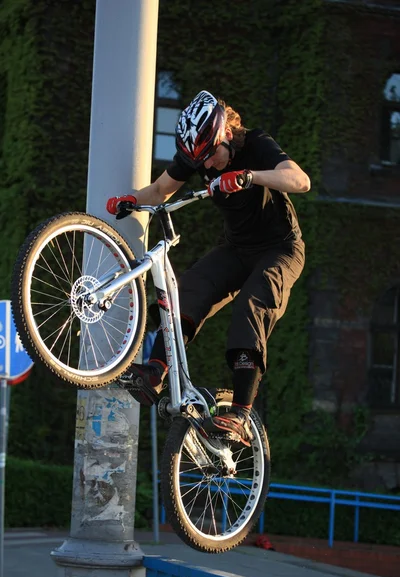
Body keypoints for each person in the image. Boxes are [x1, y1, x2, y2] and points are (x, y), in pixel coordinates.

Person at [106, 90, 310, 446]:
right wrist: (131, 201)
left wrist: (250, 176)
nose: (209, 167)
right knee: (187, 291)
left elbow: (300, 180)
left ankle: (242, 416)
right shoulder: (200, 154)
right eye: (200, 163)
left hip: (280, 250)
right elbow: (161, 189)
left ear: (226, 135)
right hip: (236, 248)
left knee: (252, 306)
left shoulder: (256, 144)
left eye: (213, 158)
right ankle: (155, 372)